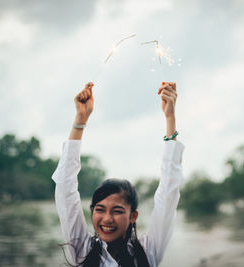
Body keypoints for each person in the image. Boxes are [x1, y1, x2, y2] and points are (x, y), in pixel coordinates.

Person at [52, 81, 185, 266]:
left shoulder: (148, 251)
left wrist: (170, 117)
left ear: (133, 216)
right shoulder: (82, 249)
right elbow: (65, 188)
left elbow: (168, 193)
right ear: (92, 212)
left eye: (117, 211)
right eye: (100, 209)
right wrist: (80, 121)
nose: (107, 219)